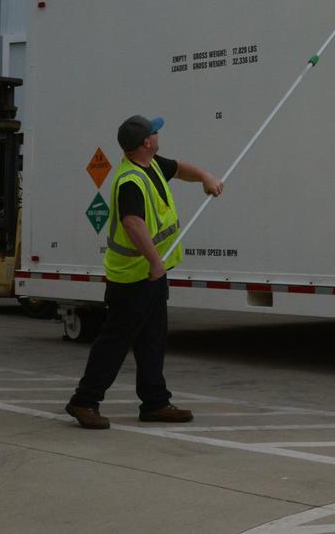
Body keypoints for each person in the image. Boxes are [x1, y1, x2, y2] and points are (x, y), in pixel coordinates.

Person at [65, 114, 222, 429]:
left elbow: (179, 168)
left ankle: (155, 402)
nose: (159, 133)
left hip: (151, 274)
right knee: (115, 341)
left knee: (153, 338)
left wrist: (206, 176)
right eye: (155, 132)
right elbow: (132, 223)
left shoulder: (152, 165)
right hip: (133, 276)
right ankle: (84, 401)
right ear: (146, 143)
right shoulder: (130, 181)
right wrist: (154, 261)